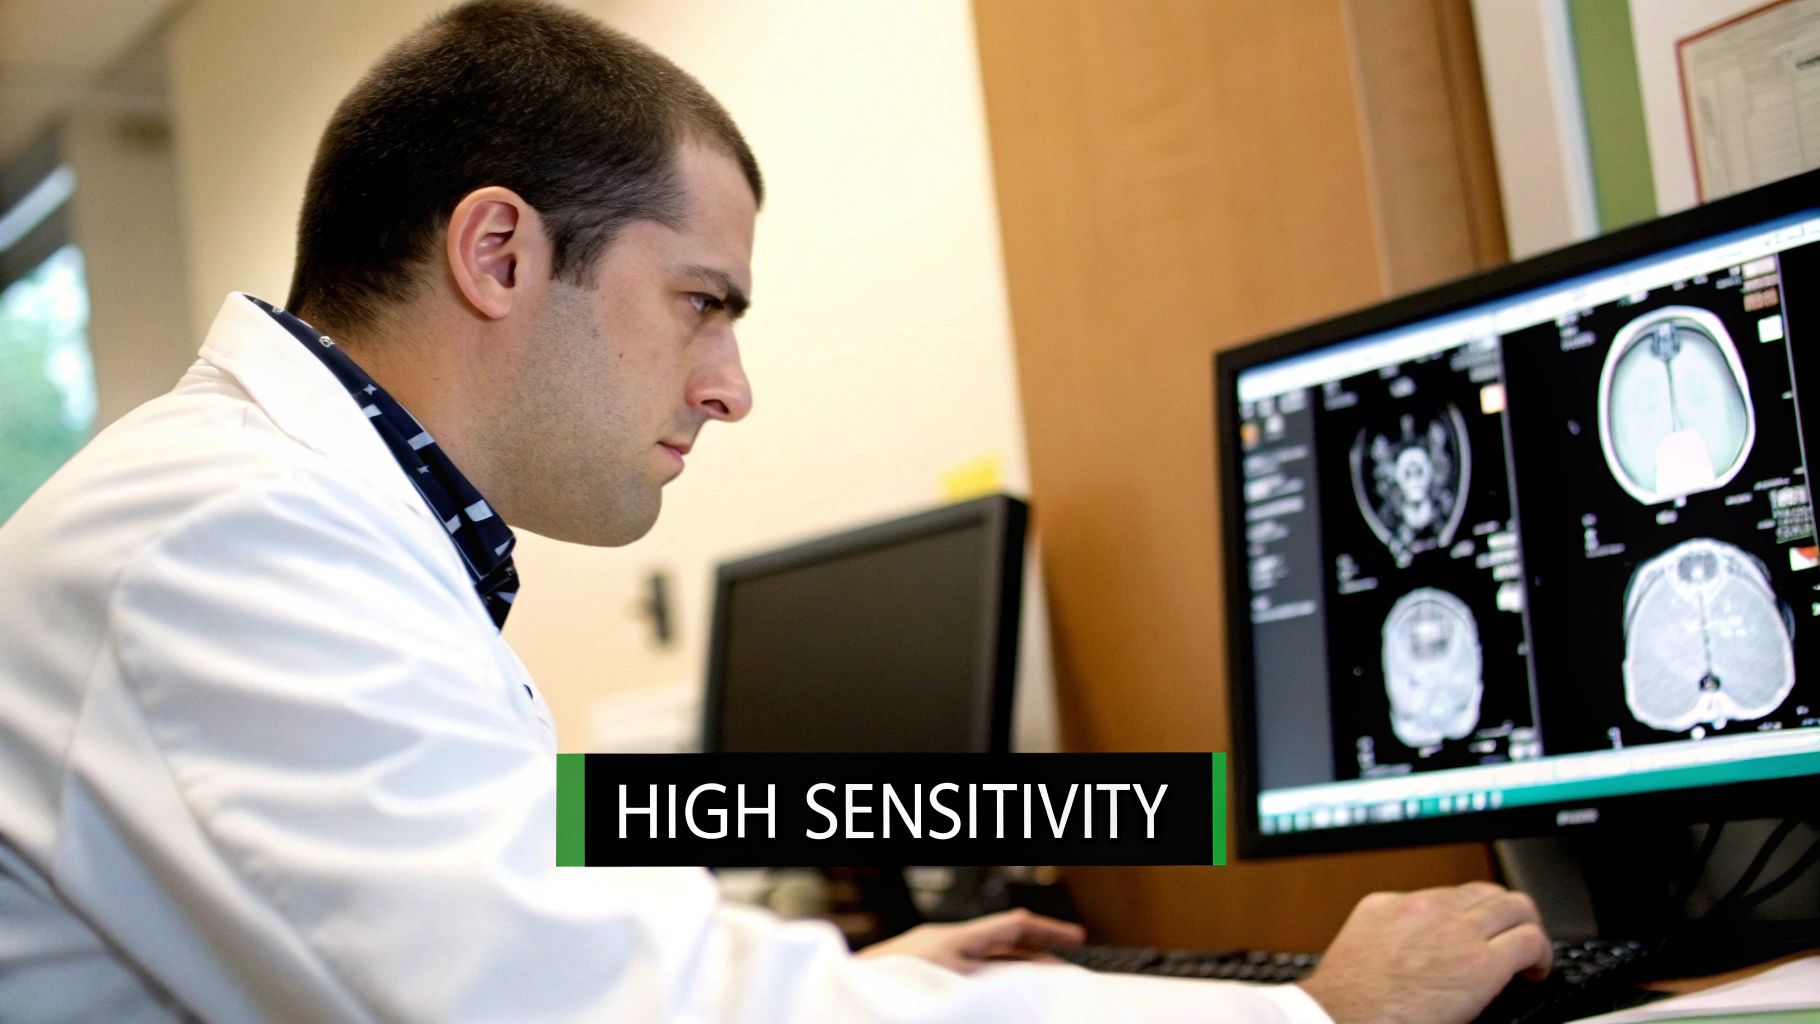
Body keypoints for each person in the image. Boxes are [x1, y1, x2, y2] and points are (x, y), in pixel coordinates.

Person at [0, 1, 1551, 1020]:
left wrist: (849, 981)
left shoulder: (303, 522)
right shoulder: (221, 542)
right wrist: (1299, 1011)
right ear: (498, 252)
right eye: (701, 304)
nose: (730, 386)